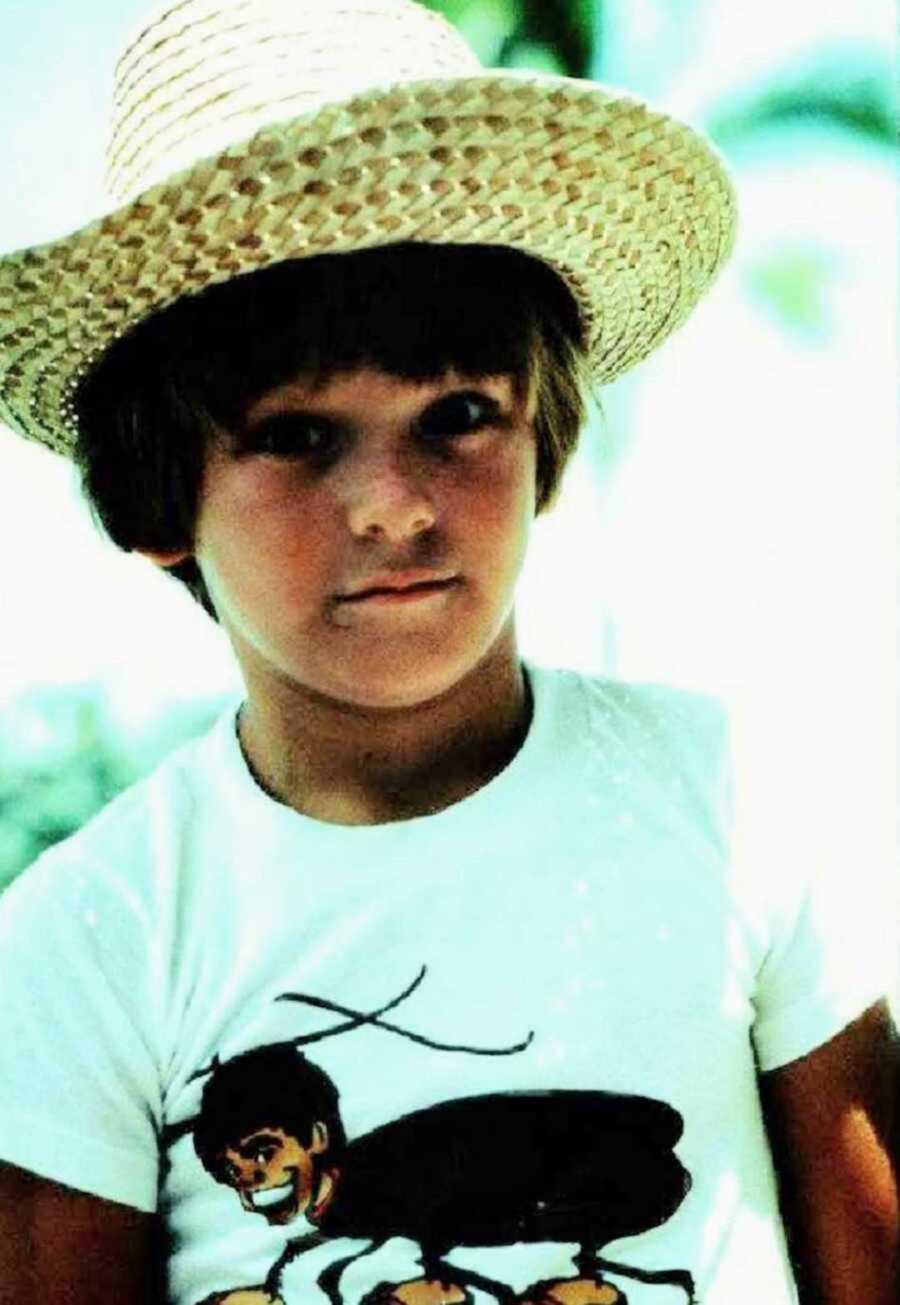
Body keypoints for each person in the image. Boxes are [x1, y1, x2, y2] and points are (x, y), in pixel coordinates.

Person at [0, 2, 895, 1303]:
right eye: (299, 436)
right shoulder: (84, 941)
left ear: (549, 444)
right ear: (155, 500)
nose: (395, 504)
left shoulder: (727, 793)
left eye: (459, 413)